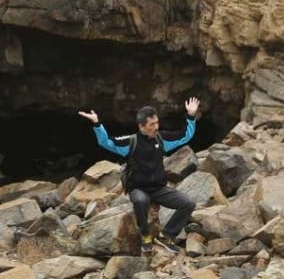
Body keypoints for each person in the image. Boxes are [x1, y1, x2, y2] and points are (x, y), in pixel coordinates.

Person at [79, 97, 200, 254]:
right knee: (141, 201)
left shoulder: (162, 139)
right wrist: (97, 123)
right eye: (152, 124)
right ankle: (145, 236)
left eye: (157, 123)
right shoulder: (131, 142)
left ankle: (166, 235)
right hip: (138, 188)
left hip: (159, 189)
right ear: (142, 126)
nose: (156, 127)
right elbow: (107, 142)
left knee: (188, 203)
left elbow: (185, 135)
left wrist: (191, 116)